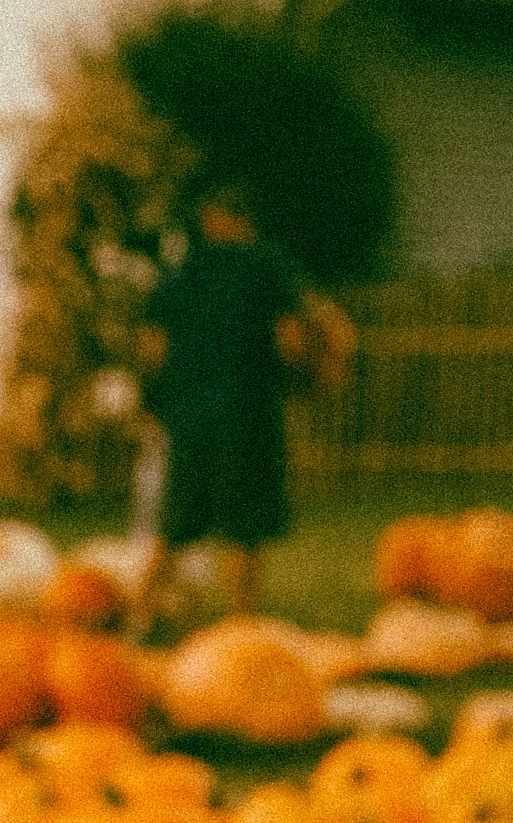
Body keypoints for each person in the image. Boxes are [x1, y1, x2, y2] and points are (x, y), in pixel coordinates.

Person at [141, 187, 354, 625]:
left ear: (210, 220)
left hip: (190, 418)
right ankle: (241, 622)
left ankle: (140, 618)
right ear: (246, 221)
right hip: (248, 415)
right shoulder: (268, 268)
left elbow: (153, 346)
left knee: (176, 525)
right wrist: (307, 379)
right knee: (243, 527)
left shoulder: (183, 272)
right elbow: (290, 341)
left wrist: (162, 399)